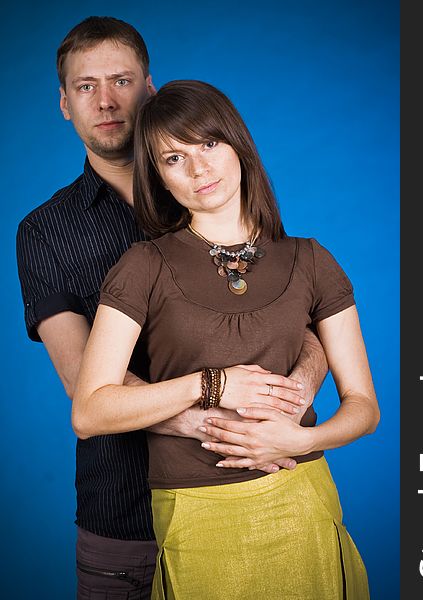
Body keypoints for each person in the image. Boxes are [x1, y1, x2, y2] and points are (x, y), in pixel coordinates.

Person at [15, 17, 328, 599]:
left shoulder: (213, 184)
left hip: (255, 496)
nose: (106, 101)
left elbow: (303, 317)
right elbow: (83, 380)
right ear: (64, 104)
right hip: (125, 515)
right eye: (85, 87)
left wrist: (298, 394)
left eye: (121, 80)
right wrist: (216, 412)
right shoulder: (45, 231)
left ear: (151, 89)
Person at [73, 80, 380, 599]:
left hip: (304, 497)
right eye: (174, 158)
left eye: (209, 144)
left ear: (238, 146)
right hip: (197, 514)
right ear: (160, 179)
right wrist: (213, 384)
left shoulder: (311, 259)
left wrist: (304, 439)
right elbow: (90, 412)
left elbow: (363, 406)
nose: (198, 169)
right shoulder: (142, 267)